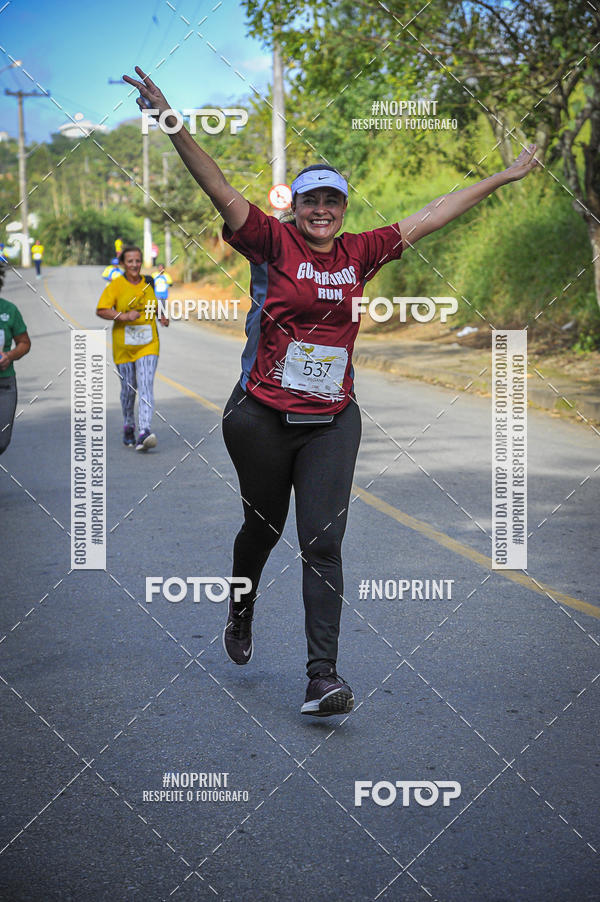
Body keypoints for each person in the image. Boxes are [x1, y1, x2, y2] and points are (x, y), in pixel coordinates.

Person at [124, 65, 539, 716]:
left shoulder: (363, 252)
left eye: (332, 202)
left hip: (332, 419)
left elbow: (434, 214)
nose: (321, 211)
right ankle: (242, 605)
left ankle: (323, 678)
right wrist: (171, 118)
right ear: (296, 208)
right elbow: (217, 186)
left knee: (321, 542)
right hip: (259, 416)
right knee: (262, 531)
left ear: (343, 210)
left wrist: (504, 176)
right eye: (311, 201)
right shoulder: (270, 239)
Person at [96, 245, 169, 451]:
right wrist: (123, 316)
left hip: (148, 344)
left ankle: (144, 430)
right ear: (123, 264)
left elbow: (156, 305)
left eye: (138, 260)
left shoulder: (149, 282)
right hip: (124, 346)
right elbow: (102, 309)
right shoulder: (116, 286)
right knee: (129, 389)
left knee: (146, 384)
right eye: (130, 261)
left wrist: (162, 316)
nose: (135, 265)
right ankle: (129, 423)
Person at [0, 262, 31, 454]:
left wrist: (9, 355)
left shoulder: (9, 310)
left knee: (2, 440)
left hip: (4, 384)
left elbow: (24, 343)